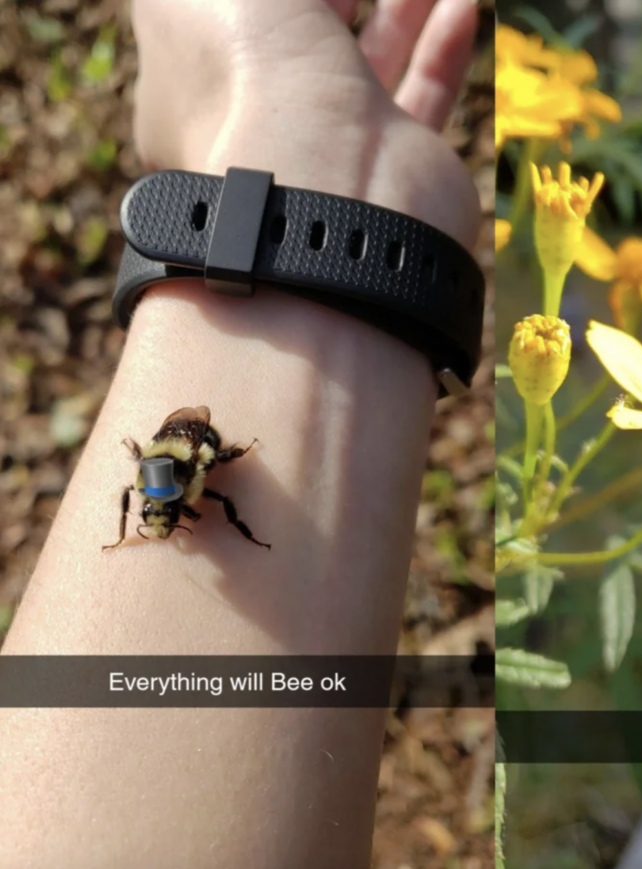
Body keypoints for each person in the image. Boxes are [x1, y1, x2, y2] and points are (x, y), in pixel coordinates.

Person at [0, 0, 482, 866]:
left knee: (228, 500)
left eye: (159, 516)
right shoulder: (157, 492)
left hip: (193, 431)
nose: (167, 523)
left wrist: (285, 127)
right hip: (201, 417)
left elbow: (188, 467)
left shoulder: (185, 482)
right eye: (158, 518)